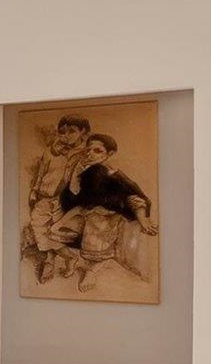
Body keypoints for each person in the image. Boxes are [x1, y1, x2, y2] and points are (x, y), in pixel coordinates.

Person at [53, 133, 158, 290]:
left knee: (97, 242)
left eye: (97, 151)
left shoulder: (110, 173)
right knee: (56, 233)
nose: (90, 153)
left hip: (107, 214)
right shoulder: (85, 170)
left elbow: (134, 194)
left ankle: (91, 272)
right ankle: (76, 261)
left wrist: (142, 216)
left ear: (109, 154)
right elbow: (78, 197)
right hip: (86, 210)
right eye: (89, 150)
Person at [23, 115, 89, 282]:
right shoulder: (51, 151)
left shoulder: (84, 156)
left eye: (72, 131)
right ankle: (59, 257)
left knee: (55, 231)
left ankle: (52, 260)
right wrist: (35, 190)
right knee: (38, 225)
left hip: (64, 200)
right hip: (45, 196)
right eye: (62, 132)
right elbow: (41, 172)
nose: (66, 135)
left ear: (84, 133)